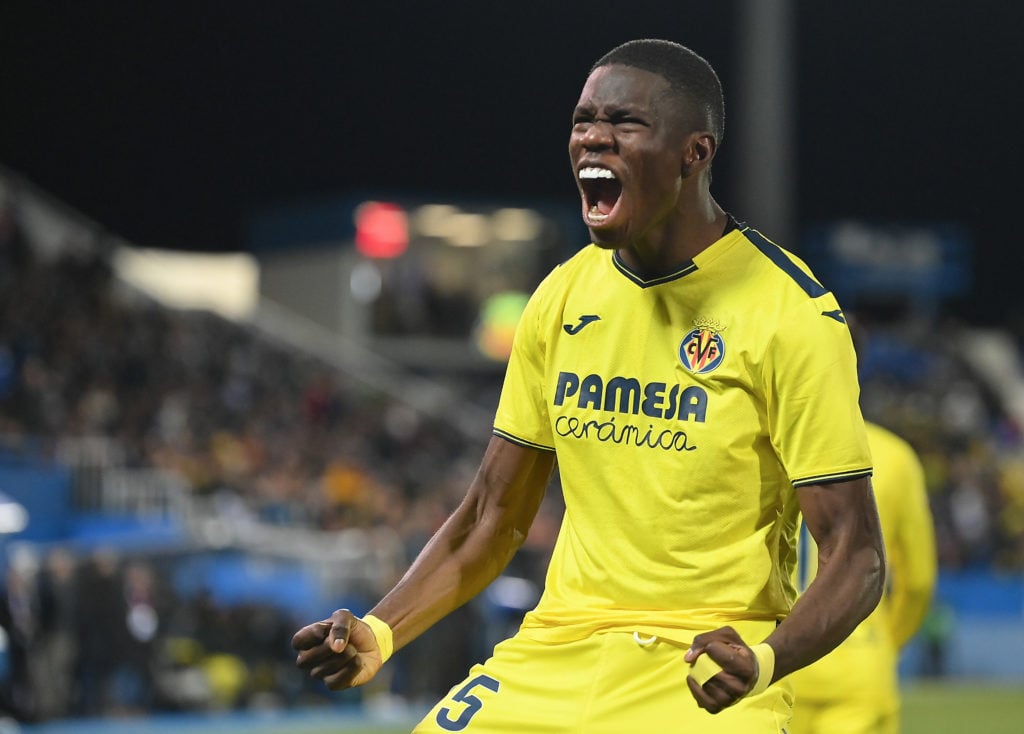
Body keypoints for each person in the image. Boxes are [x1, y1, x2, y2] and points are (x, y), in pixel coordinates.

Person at [293, 38, 886, 732]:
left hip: (696, 667)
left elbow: (856, 553)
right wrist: (380, 631)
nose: (593, 138)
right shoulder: (562, 297)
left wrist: (765, 659)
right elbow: (493, 514)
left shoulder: (791, 314)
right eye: (583, 121)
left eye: (626, 122)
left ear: (695, 153)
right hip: (554, 652)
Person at [789, 321, 937, 734]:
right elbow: (919, 581)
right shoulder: (894, 456)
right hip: (858, 663)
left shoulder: (766, 445)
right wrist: (884, 641)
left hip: (778, 662)